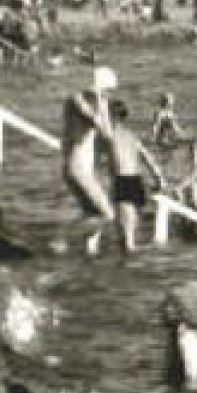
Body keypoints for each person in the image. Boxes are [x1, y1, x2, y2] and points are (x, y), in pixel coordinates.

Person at [62, 66, 121, 254]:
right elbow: (102, 129)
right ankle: (62, 239)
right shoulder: (77, 101)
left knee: (92, 214)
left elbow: (107, 136)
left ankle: (88, 254)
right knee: (108, 214)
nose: (107, 96)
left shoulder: (82, 102)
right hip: (77, 167)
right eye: (107, 91)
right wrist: (101, 104)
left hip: (80, 169)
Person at [104, 98, 168, 253]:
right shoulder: (132, 136)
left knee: (127, 241)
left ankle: (134, 268)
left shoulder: (108, 135)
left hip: (123, 182)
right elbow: (147, 157)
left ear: (110, 116)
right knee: (128, 233)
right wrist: (159, 178)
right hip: (136, 182)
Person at [159, 281, 197, 389]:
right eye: (166, 304)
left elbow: (193, 374)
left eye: (174, 305)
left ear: (185, 310)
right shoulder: (177, 335)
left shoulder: (186, 339)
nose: (167, 309)